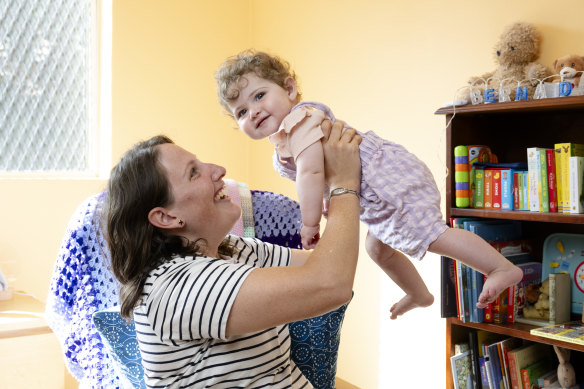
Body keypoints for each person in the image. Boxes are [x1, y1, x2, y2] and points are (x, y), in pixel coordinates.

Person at [215, 49, 523, 319]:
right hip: (375, 197)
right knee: (378, 249)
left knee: (433, 235)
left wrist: (309, 224)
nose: (253, 111)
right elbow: (323, 176)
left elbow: (310, 173)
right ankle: (419, 294)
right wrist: (328, 200)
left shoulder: (300, 121)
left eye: (259, 96)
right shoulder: (284, 142)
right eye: (241, 111)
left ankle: (500, 268)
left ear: (290, 88)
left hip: (391, 182)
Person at [104, 120, 362, 388]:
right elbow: (330, 284)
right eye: (194, 172)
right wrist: (344, 185)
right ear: (167, 217)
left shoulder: (232, 250)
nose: (218, 170)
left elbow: (333, 262)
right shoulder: (176, 286)